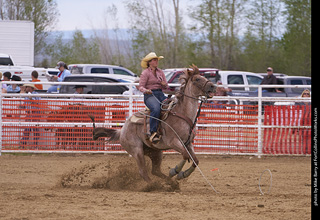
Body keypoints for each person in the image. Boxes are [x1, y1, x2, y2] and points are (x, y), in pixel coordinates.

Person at [139, 52, 168, 143]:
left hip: (160, 93)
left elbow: (166, 86)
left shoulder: (161, 72)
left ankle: (167, 130)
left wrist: (164, 85)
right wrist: (145, 90)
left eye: (156, 60)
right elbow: (141, 86)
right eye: (154, 60)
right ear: (150, 62)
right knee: (156, 108)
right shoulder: (145, 73)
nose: (156, 61)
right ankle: (153, 131)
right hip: (149, 95)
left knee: (171, 106)